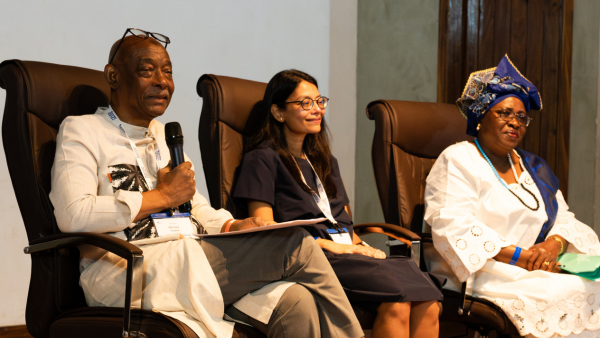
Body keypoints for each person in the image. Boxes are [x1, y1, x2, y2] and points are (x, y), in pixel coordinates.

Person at [49, 29, 364, 338]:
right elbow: (72, 214)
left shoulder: (163, 134)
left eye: (168, 72)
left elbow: (194, 206)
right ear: (114, 76)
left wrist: (231, 226)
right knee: (296, 245)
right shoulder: (82, 130)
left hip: (187, 258)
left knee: (296, 302)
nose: (162, 81)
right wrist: (160, 197)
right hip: (128, 270)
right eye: (147, 71)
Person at [234, 69, 444, 338]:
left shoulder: (324, 161)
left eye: (319, 101)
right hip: (311, 256)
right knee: (400, 293)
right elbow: (265, 229)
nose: (317, 109)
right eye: (305, 103)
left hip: (345, 253)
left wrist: (359, 247)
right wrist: (331, 246)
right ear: (278, 112)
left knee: (426, 299)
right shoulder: (262, 159)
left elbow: (345, 223)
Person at [424, 55, 600, 338]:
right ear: (481, 117)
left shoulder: (534, 167)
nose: (515, 122)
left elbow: (564, 217)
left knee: (594, 285)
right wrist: (522, 257)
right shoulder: (459, 159)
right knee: (554, 294)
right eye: (504, 113)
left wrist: (552, 246)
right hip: (482, 272)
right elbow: (452, 226)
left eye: (521, 117)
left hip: (534, 268)